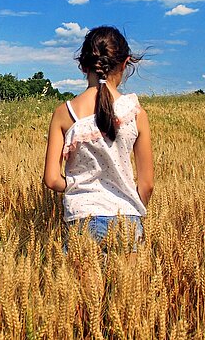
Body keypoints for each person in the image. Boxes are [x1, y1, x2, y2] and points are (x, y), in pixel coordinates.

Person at [43, 26, 153, 251]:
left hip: (82, 218)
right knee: (129, 287)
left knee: (80, 288)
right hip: (127, 219)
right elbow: (147, 184)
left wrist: (79, 185)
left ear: (83, 66)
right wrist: (128, 206)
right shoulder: (136, 113)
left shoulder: (64, 113)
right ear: (125, 63)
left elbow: (52, 179)